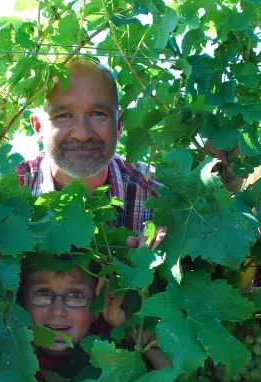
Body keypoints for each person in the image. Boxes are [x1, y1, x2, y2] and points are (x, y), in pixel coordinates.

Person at [0, 263, 170, 382]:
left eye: (76, 295)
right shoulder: (12, 356)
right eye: (42, 293)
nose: (58, 311)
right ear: (21, 301)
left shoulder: (114, 348)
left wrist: (131, 328)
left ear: (98, 300)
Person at [16, 58, 166, 248]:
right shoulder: (7, 197)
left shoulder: (161, 196)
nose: (82, 134)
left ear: (119, 126)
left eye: (98, 114)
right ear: (38, 127)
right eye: (64, 116)